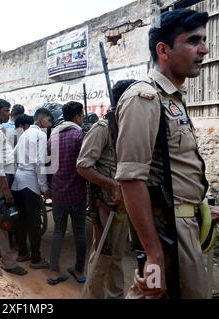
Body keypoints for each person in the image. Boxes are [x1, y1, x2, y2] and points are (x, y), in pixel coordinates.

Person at [115, 9, 211, 299]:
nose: (204, 49)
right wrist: (154, 254)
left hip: (187, 224)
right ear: (163, 50)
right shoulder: (144, 97)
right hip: (168, 232)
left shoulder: (174, 99)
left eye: (204, 40)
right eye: (194, 40)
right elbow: (131, 179)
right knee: (153, 291)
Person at [76, 80, 137, 299]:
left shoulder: (128, 127)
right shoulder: (102, 129)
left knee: (117, 257)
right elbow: (83, 166)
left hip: (123, 205)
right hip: (106, 205)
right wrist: (112, 184)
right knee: (103, 256)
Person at [0, 98, 27, 276]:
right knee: (1, 219)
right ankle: (7, 262)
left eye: (9, 111)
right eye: (5, 111)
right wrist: (7, 191)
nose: (8, 114)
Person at [47, 101, 87, 285]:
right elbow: (86, 165)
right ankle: (79, 271)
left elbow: (47, 164)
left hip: (58, 194)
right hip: (77, 193)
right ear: (77, 116)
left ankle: (54, 272)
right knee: (80, 232)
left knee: (58, 232)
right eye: (82, 114)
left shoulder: (52, 138)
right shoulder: (79, 136)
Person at [12, 107, 53, 269]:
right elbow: (39, 162)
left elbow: (13, 155)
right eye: (49, 121)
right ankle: (36, 259)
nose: (50, 125)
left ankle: (23, 253)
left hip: (18, 181)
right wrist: (44, 187)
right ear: (41, 119)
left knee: (22, 220)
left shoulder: (25, 134)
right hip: (31, 182)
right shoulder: (40, 135)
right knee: (34, 223)